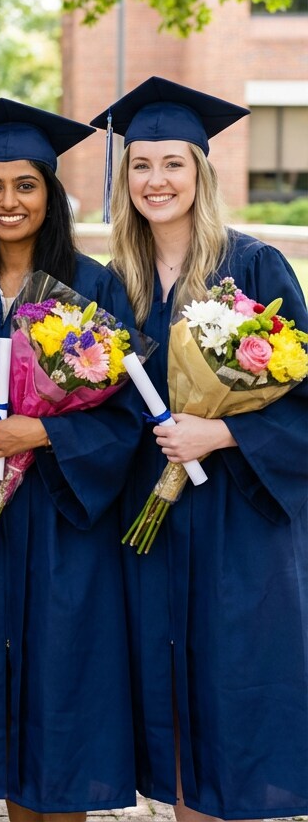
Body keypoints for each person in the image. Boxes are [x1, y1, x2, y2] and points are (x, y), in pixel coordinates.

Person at [92, 76, 308, 822]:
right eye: (141, 166)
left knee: (231, 695)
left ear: (201, 172)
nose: (157, 181)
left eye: (172, 164)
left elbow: (301, 394)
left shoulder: (255, 267)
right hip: (149, 523)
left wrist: (222, 432)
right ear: (125, 180)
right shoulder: (112, 283)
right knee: (169, 699)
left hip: (238, 522)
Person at [0, 98, 140, 822]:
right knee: (6, 715)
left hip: (63, 528)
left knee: (62, 703)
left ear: (51, 195)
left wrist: (46, 436)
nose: (8, 201)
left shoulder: (93, 287)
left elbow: (128, 415)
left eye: (25, 185)